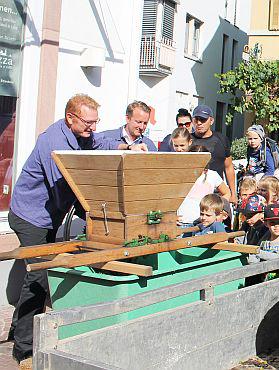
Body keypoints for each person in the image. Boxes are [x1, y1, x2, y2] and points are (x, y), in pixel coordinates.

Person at [8, 94, 147, 365]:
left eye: (96, 122)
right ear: (70, 117)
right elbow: (67, 187)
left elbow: (101, 143)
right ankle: (23, 348)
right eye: (88, 123)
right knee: (38, 276)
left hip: (47, 218)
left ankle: (18, 330)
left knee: (37, 275)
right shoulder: (54, 142)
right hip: (29, 217)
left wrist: (127, 148)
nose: (92, 128)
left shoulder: (82, 134)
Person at [191, 104, 237, 204]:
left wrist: (233, 194)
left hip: (218, 193)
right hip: (194, 193)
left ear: (211, 121)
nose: (199, 123)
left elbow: (228, 167)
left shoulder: (222, 139)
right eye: (196, 120)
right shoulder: (188, 140)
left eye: (203, 120)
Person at [178, 143, 231, 228]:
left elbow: (227, 193)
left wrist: (218, 209)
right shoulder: (181, 175)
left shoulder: (212, 175)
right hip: (183, 222)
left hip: (204, 224)